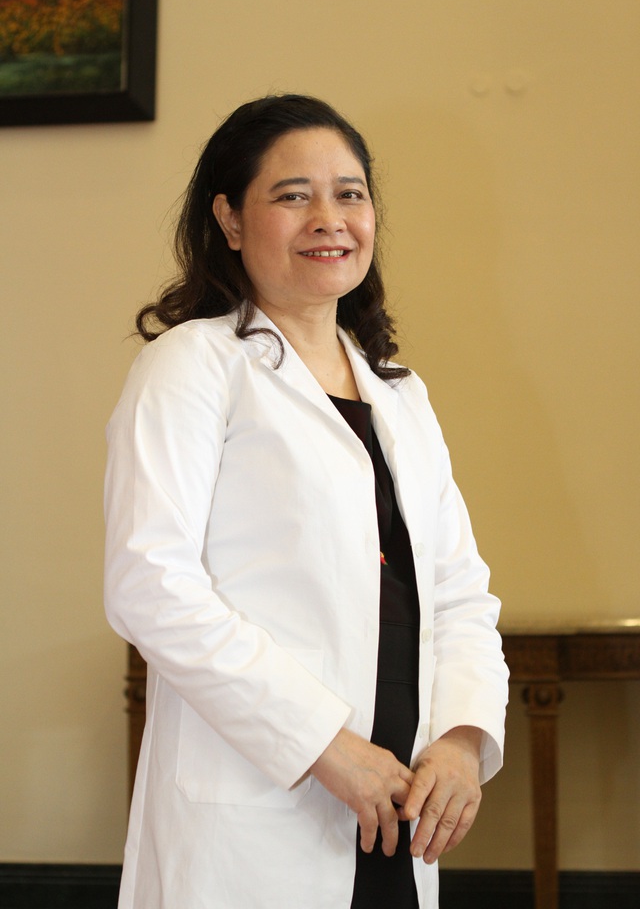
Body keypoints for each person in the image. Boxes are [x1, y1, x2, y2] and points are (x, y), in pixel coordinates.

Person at [104, 93, 509, 909]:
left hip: (401, 805)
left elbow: (459, 591)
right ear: (230, 219)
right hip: (261, 812)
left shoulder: (402, 396)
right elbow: (150, 585)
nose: (330, 218)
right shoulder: (192, 366)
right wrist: (325, 745)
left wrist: (463, 740)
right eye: (293, 196)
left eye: (350, 194)